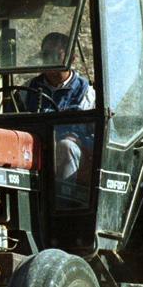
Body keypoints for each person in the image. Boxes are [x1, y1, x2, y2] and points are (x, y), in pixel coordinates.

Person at [19, 32, 95, 183]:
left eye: (56, 55)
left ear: (72, 58)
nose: (50, 60)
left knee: (65, 147)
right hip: (34, 148)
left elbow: (99, 136)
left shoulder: (87, 93)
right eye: (46, 55)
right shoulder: (26, 91)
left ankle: (64, 194)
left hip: (73, 153)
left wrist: (80, 141)